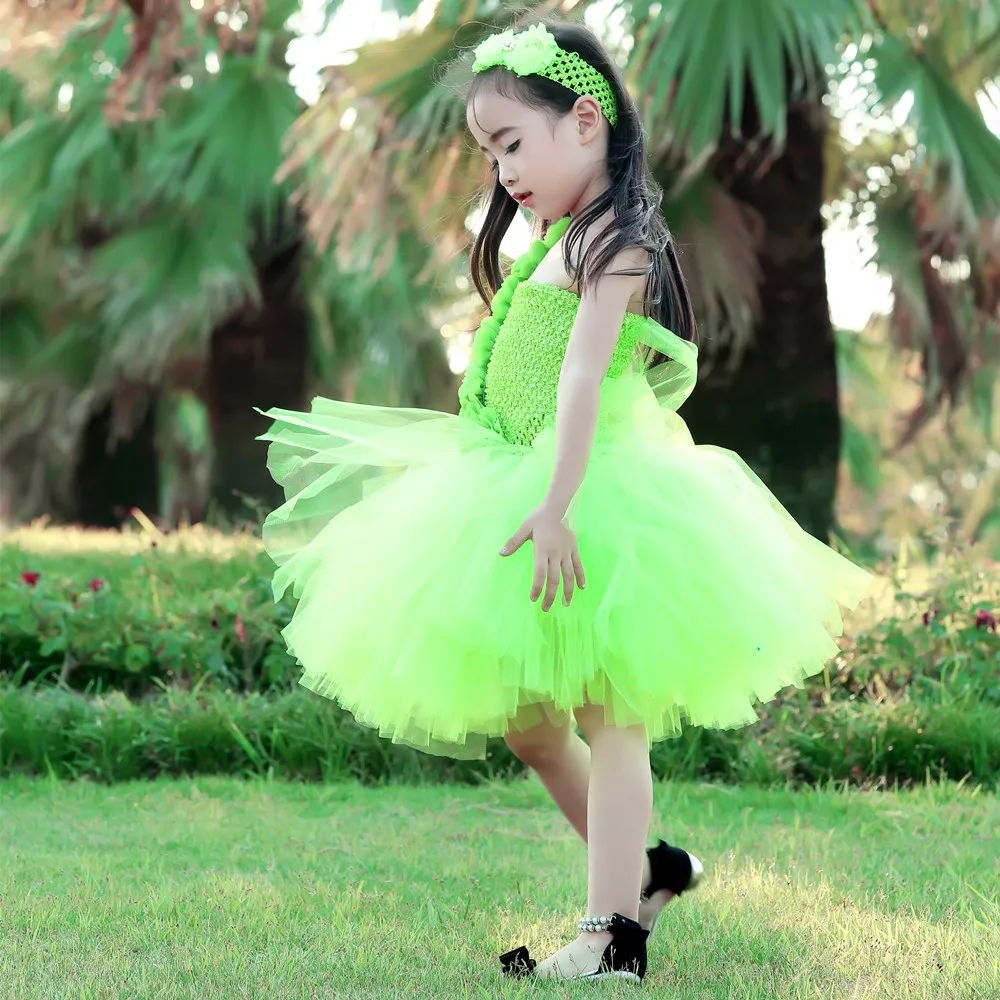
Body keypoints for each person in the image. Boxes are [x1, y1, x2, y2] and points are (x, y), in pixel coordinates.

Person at [257, 19, 874, 984]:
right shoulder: (557, 236)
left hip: (590, 491)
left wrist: (557, 503)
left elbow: (584, 375)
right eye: (489, 153)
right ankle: (649, 871)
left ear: (585, 122)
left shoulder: (618, 241)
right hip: (512, 477)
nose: (501, 170)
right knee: (531, 725)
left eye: (512, 143)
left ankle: (610, 937)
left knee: (607, 713)